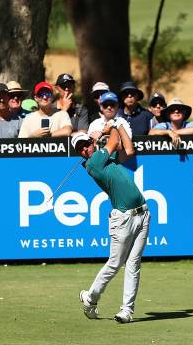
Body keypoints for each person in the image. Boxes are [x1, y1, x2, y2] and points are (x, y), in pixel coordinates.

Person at [72, 123, 149, 324]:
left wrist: (118, 126)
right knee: (115, 263)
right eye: (80, 149)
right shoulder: (93, 163)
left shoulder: (104, 159)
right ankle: (91, 297)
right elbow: (114, 141)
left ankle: (126, 311)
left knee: (133, 264)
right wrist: (109, 129)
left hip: (142, 214)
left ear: (90, 143)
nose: (84, 150)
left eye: (85, 145)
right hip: (123, 218)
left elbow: (129, 149)